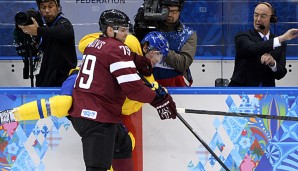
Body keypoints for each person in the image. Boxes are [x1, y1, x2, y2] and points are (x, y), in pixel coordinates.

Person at [68, 9, 177, 171]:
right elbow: (133, 89)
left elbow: (109, 59)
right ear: (110, 30)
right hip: (96, 118)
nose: (127, 34)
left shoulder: (94, 44)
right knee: (98, 167)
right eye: (123, 30)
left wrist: (133, 58)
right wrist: (158, 99)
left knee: (123, 144)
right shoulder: (118, 49)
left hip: (86, 112)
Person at [228, 2, 298, 87]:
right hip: (241, 93)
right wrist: (282, 38)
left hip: (266, 95)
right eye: (256, 15)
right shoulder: (242, 37)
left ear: (272, 19)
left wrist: (273, 64)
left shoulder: (280, 44)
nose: (258, 19)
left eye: (263, 16)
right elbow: (254, 48)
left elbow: (281, 73)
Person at [135, 0, 197, 87]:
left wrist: (161, 48)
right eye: (166, 10)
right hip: (149, 83)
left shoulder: (188, 34)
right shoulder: (148, 29)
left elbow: (183, 64)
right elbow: (136, 55)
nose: (170, 14)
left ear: (180, 11)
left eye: (174, 11)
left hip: (177, 85)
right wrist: (138, 28)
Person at [17, 0, 77, 87]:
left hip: (61, 85)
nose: (47, 11)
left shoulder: (63, 23)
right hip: (43, 81)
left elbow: (66, 32)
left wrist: (38, 30)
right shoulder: (44, 29)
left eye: (50, 6)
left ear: (58, 7)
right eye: (43, 7)